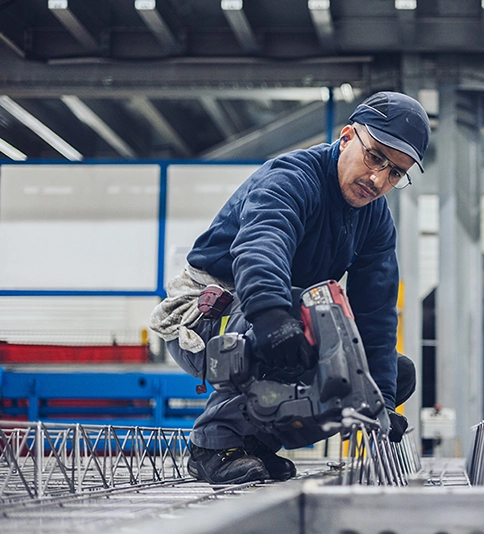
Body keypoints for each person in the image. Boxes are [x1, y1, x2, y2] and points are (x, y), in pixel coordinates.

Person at [150, 91, 430, 484]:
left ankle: (255, 446)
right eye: (375, 157)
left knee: (393, 372)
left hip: (281, 311)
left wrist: (380, 403)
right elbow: (261, 244)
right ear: (348, 136)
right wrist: (271, 315)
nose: (378, 179)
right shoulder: (292, 176)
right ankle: (212, 446)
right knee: (306, 321)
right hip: (208, 314)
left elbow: (377, 315)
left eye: (395, 173)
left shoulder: (375, 219)